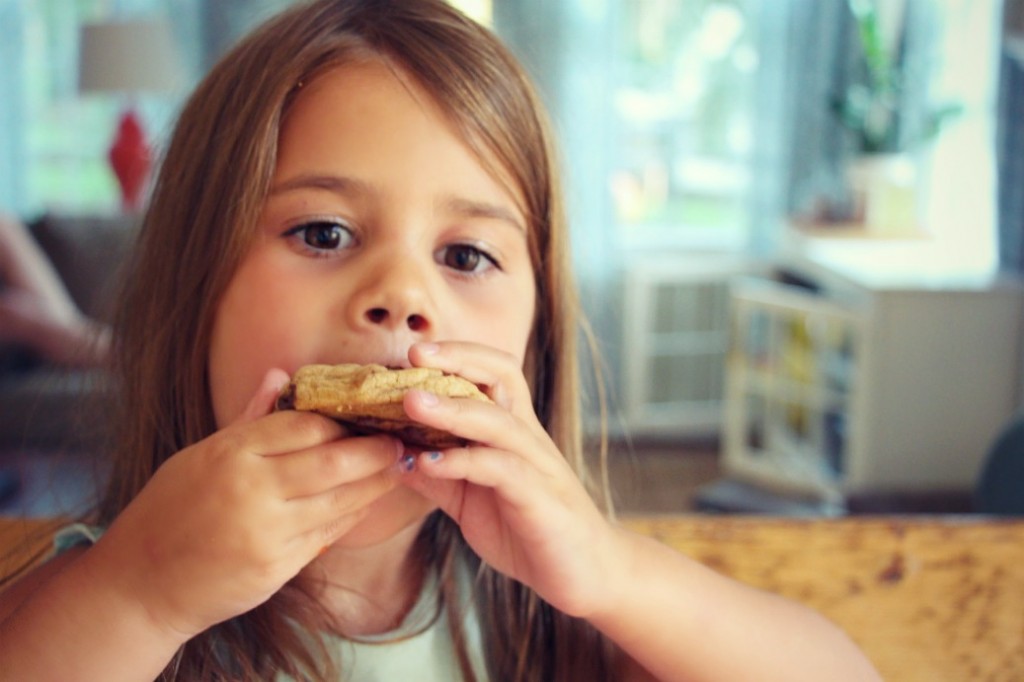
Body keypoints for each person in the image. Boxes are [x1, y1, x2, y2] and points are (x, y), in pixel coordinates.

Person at [0, 1, 882, 680]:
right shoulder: (116, 590)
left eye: (465, 254)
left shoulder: (540, 614)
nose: (402, 298)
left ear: (533, 343)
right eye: (323, 234)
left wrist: (609, 574)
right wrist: (140, 592)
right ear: (196, 289)